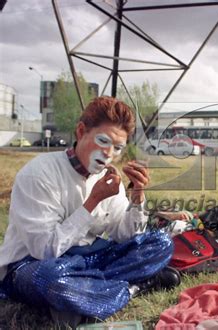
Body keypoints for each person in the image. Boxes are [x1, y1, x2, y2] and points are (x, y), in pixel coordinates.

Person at [0, 96, 179, 322]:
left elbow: (125, 235)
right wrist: (92, 201)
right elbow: (44, 250)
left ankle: (89, 293)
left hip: (88, 259)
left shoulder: (107, 178)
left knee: (161, 242)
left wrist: (137, 194)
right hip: (32, 265)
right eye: (103, 141)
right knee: (52, 280)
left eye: (117, 148)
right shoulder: (39, 174)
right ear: (81, 131)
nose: (109, 153)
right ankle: (134, 286)